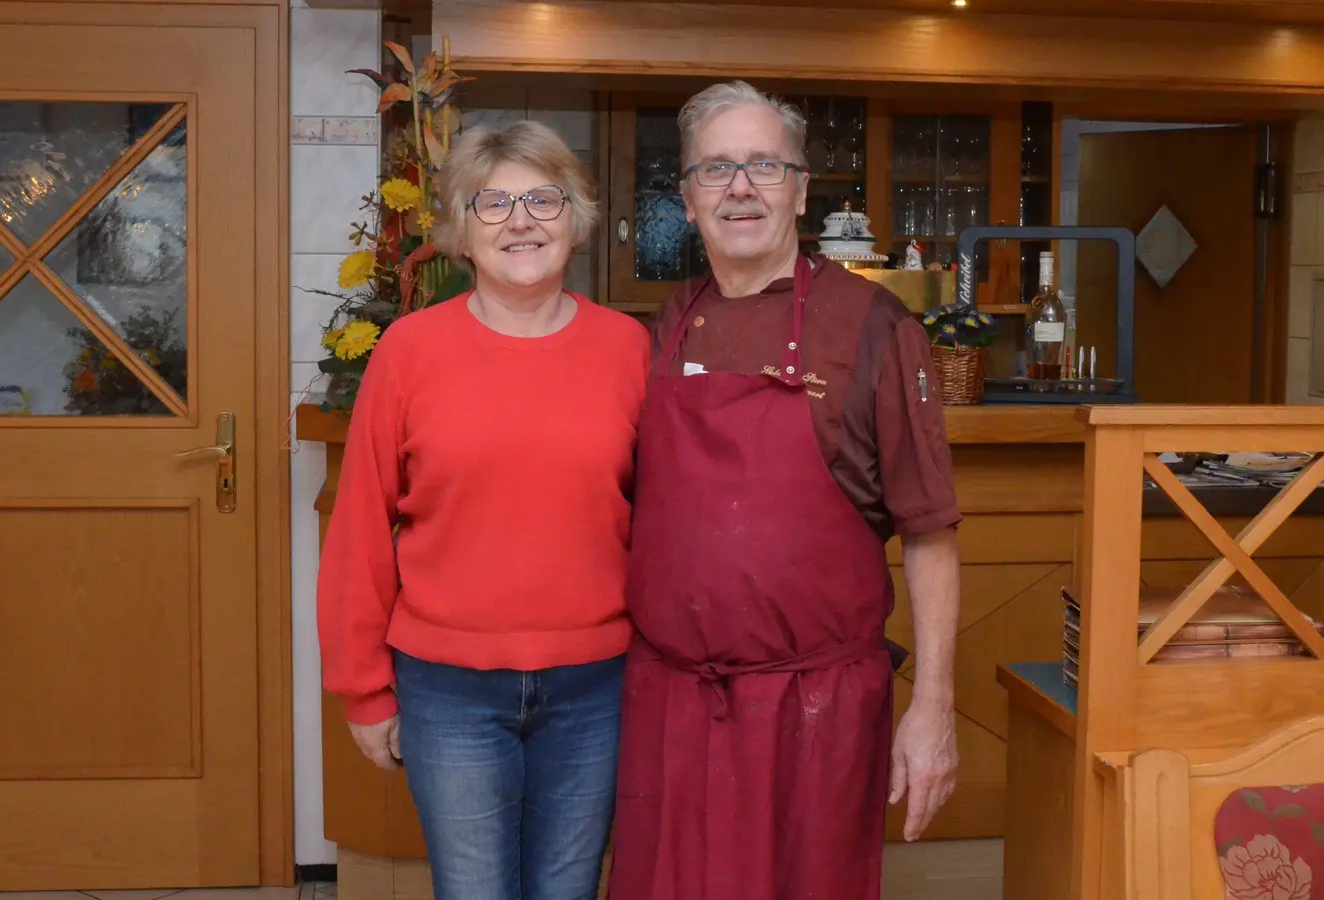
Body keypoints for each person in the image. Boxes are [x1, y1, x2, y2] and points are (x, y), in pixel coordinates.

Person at [606, 82, 965, 900]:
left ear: (801, 190)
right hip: (668, 707)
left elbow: (930, 533)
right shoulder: (665, 325)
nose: (741, 187)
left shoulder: (874, 326)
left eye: (765, 165)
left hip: (817, 712)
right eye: (717, 169)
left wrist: (934, 710)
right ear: (688, 200)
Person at [317, 120, 651, 900]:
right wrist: (364, 689)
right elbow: (361, 526)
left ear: (577, 219)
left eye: (543, 197)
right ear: (460, 233)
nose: (521, 220)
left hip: (596, 684)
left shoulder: (630, 349)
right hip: (448, 689)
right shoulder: (408, 350)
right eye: (492, 203)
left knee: (568, 891)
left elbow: (664, 519)